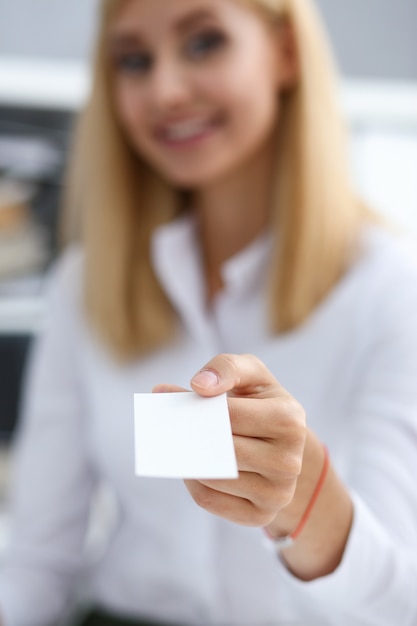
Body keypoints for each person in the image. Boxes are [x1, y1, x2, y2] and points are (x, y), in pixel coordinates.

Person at [1, 0, 417, 624]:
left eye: (203, 43)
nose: (165, 90)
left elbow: (397, 603)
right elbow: (38, 556)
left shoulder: (390, 286)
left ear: (285, 53)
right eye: (134, 60)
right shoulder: (85, 283)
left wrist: (303, 499)